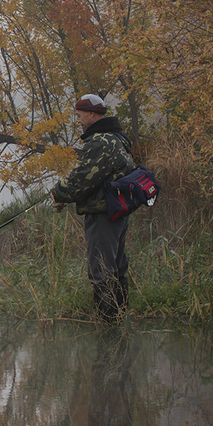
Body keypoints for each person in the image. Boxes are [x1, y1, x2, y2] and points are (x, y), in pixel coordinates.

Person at [50, 94, 136, 322]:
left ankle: (107, 325)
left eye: (79, 115)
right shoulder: (117, 137)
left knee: (102, 272)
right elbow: (96, 178)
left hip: (103, 215)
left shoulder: (101, 142)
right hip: (117, 211)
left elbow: (83, 178)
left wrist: (58, 193)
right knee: (117, 268)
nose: (78, 120)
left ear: (92, 114)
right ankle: (119, 320)